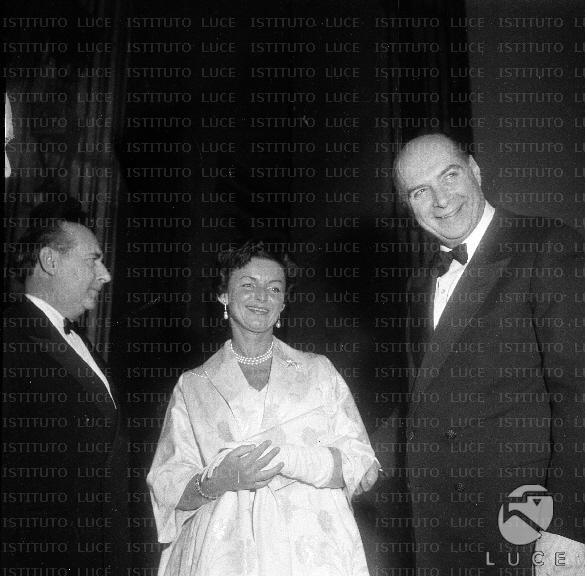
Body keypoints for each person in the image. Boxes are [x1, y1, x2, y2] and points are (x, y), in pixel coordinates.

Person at [377, 132, 585, 575]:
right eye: (420, 191)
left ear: (474, 169)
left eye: (449, 176)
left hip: (524, 523)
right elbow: (422, 407)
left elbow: (579, 394)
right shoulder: (417, 285)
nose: (441, 200)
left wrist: (569, 528)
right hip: (437, 528)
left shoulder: (545, 244)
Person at [147, 241, 379, 576]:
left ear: (283, 303)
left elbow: (362, 464)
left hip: (313, 548)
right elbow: (167, 483)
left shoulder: (318, 371)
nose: (261, 297)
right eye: (248, 285)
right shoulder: (194, 385)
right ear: (223, 295)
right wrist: (217, 481)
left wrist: (290, 459)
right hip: (225, 551)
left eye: (274, 288)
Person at [1, 196, 127, 572]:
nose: (105, 275)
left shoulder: (82, 344)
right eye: (93, 260)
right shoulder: (10, 337)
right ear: (50, 261)